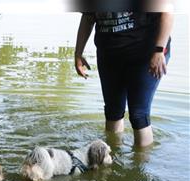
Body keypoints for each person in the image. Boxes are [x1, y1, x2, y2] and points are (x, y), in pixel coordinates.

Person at [74, 12, 173, 147]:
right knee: (113, 111)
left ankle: (139, 165)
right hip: (109, 53)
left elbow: (166, 11)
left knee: (138, 115)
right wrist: (78, 53)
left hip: (146, 52)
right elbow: (88, 16)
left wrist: (159, 50)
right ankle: (112, 158)